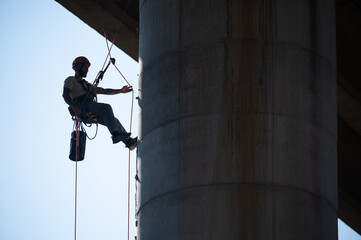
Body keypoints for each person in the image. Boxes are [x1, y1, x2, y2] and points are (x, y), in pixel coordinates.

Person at [62, 56, 137, 150]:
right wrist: (74, 107)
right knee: (106, 108)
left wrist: (120, 91)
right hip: (83, 108)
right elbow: (65, 95)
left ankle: (129, 142)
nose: (87, 70)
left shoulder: (86, 85)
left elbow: (103, 90)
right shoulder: (71, 80)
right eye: (85, 67)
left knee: (114, 121)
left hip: (90, 110)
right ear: (78, 67)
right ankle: (115, 134)